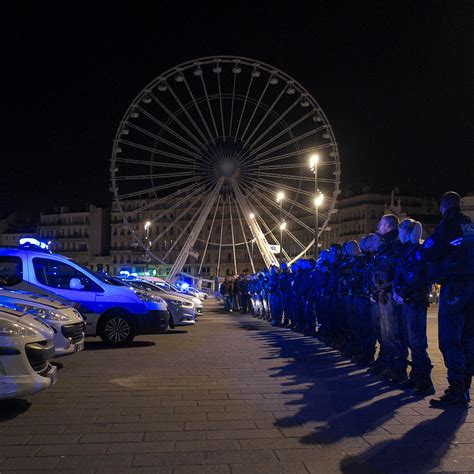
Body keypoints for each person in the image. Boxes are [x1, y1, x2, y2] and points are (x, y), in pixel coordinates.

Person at [423, 192, 474, 407]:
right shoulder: (469, 225)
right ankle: (465, 387)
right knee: (468, 338)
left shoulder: (447, 225)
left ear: (443, 208)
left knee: (449, 339)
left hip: (454, 285)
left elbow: (429, 249)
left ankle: (456, 389)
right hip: (472, 285)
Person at [393, 219, 434, 394]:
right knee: (412, 341)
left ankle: (425, 381)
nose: (399, 235)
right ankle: (416, 377)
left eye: (401, 231)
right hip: (409, 299)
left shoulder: (418, 250)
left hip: (414, 301)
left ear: (406, 232)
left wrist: (402, 293)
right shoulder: (409, 250)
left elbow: (416, 277)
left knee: (417, 342)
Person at [371, 214, 408, 384]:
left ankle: (398, 370)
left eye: (380, 223)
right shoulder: (387, 245)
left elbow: (397, 270)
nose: (378, 226)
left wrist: (390, 286)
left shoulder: (393, 245)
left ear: (387, 225)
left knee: (392, 334)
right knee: (387, 334)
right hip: (384, 294)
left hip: (390, 295)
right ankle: (391, 367)